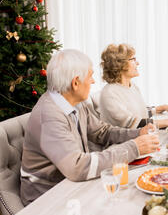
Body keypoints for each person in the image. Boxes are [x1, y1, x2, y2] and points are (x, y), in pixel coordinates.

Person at [20, 49, 159, 205]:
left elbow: (102, 132)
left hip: (71, 185)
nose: (93, 81)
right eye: (90, 76)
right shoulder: (49, 116)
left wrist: (138, 133)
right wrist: (134, 148)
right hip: (46, 199)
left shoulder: (76, 103)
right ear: (75, 83)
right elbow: (77, 167)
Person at [99, 44, 168, 129]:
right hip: (124, 142)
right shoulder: (110, 93)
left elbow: (137, 113)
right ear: (120, 64)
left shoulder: (132, 86)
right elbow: (132, 123)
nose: (138, 63)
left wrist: (162, 108)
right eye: (133, 59)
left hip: (139, 137)